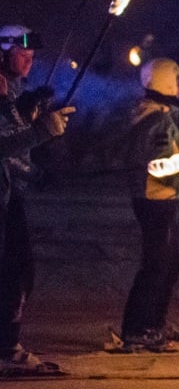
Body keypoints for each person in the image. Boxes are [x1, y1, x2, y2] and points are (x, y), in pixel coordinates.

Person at [115, 58, 179, 352]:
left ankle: (152, 324)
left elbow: (169, 164)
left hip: (157, 200)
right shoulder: (158, 121)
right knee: (157, 266)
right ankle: (138, 329)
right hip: (155, 202)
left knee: (168, 266)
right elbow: (162, 171)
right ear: (164, 82)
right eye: (176, 81)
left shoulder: (156, 115)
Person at [0, 25, 73, 374]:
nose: (29, 60)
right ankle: (5, 349)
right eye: (21, 53)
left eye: (32, 55)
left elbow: (14, 146)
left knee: (17, 270)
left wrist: (30, 115)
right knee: (15, 271)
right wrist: (41, 130)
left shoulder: (11, 91)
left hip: (9, 194)